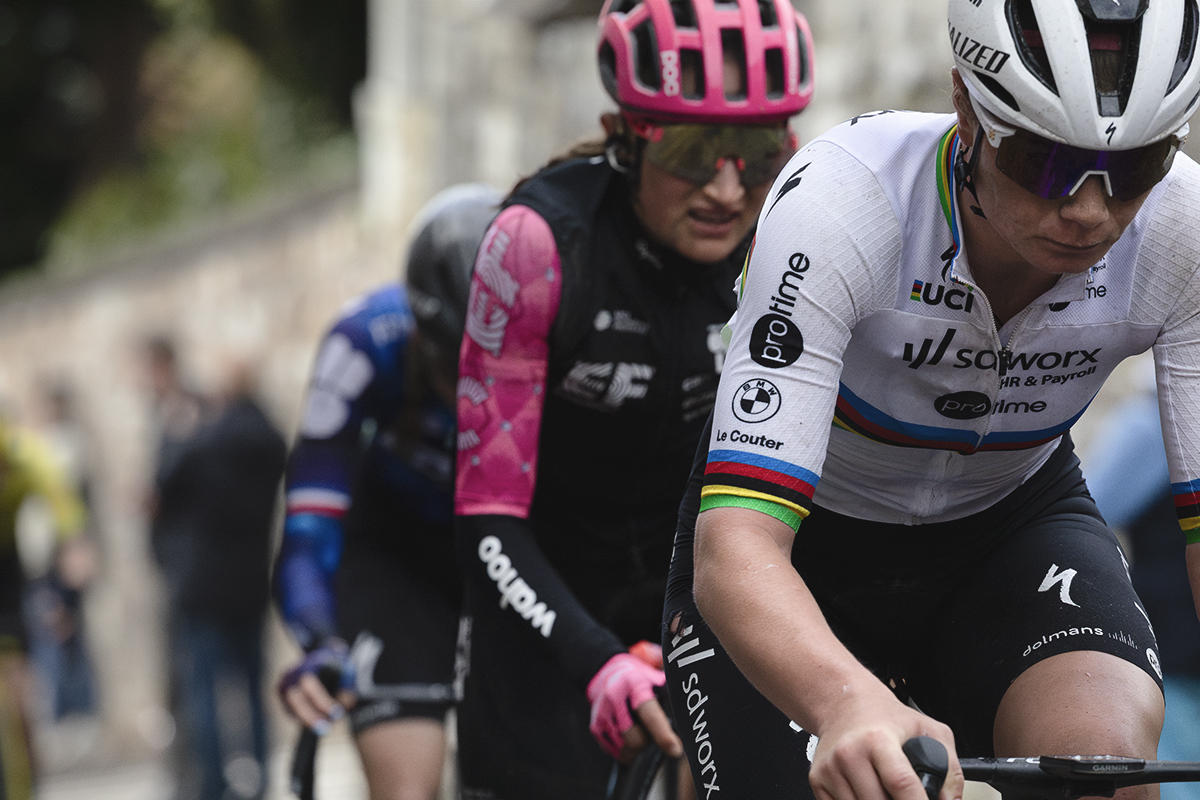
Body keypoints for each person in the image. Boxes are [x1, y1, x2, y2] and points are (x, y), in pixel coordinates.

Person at [662, 0, 1200, 797]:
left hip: (1010, 532)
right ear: (966, 108)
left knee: (1104, 772)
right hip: (805, 545)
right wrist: (847, 702)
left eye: (1134, 171)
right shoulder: (843, 206)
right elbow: (737, 543)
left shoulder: (1182, 228)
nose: (1090, 212)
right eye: (1048, 164)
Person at [452, 1, 815, 797]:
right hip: (544, 611)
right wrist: (592, 658)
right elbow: (487, 514)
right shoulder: (538, 246)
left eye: (756, 153)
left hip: (697, 601)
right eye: (693, 150)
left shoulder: (793, 236)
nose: (727, 187)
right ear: (626, 132)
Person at [274, 183, 501, 800]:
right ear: (422, 330)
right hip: (395, 564)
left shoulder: (560, 334)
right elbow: (308, 528)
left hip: (508, 556)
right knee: (407, 786)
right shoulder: (363, 341)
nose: (472, 396)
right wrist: (321, 641)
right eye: (454, 367)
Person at [149, 359, 287, 800]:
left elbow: (163, 493)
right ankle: (262, 778)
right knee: (251, 687)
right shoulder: (270, 440)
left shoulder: (203, 441)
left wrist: (178, 434)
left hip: (201, 582)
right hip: (250, 581)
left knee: (205, 693)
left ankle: (213, 784)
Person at [1083, 360, 1200, 800]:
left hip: (1176, 641)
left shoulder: (1151, 422)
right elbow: (1089, 512)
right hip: (1175, 644)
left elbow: (1094, 507)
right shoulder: (1155, 423)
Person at [0, 409, 87, 800]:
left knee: (17, 696)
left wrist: (73, 539)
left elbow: (57, 490)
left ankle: (27, 788)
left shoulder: (21, 452)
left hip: (5, 575)